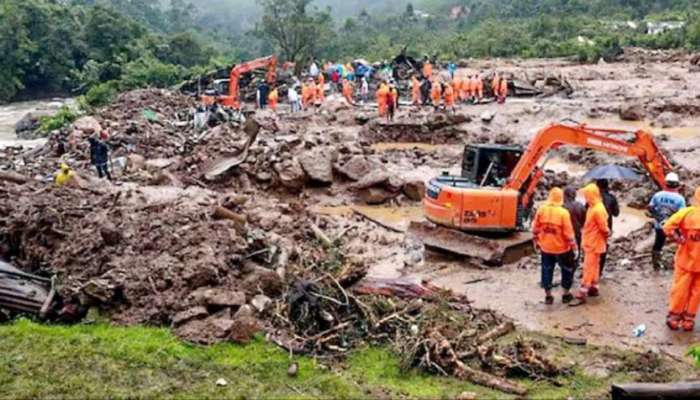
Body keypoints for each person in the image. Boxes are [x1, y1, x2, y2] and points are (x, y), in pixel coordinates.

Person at [533, 188, 578, 304]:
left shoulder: (541, 210)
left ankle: (548, 296)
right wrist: (575, 247)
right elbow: (569, 233)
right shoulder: (563, 213)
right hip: (562, 249)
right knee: (567, 269)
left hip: (546, 248)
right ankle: (565, 294)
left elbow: (535, 229)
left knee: (546, 270)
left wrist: (536, 241)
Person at [664, 188, 700, 331]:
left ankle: (674, 317)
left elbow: (667, 227)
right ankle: (688, 320)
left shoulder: (687, 213)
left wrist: (678, 239)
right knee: (697, 291)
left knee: (680, 288)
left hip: (686, 259)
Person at [573, 184, 610, 304]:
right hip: (592, 241)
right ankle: (593, 287)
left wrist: (607, 234)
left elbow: (604, 228)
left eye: (587, 195)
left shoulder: (597, 209)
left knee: (589, 267)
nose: (585, 197)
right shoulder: (594, 207)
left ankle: (582, 292)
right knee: (595, 265)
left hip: (593, 242)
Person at [648, 173, 687, 270]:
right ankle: (680, 263)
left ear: (665, 184)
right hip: (674, 227)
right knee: (680, 244)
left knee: (658, 244)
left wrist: (659, 218)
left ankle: (656, 265)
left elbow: (650, 208)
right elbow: (682, 215)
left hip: (659, 226)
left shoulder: (658, 195)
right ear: (677, 184)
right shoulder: (680, 199)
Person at [596, 179, 620, 277]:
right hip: (606, 228)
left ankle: (591, 271)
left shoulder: (594, 198)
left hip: (594, 228)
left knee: (592, 250)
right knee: (603, 249)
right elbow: (616, 214)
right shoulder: (611, 198)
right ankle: (599, 271)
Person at [564, 186, 587, 264]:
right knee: (577, 250)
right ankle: (575, 264)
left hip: (564, 233)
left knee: (565, 251)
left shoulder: (562, 207)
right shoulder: (580, 206)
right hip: (577, 231)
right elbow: (584, 221)